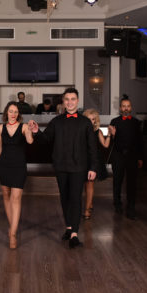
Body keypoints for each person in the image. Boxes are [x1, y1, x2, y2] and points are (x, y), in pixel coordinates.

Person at [28, 88, 98, 248]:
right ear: (63, 102)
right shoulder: (56, 121)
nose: (70, 102)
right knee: (64, 197)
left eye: (73, 99)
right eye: (67, 99)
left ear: (77, 101)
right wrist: (36, 131)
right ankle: (69, 227)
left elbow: (92, 147)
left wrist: (93, 167)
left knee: (75, 198)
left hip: (79, 166)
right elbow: (46, 139)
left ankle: (74, 234)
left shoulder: (85, 122)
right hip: (61, 165)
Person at [0, 101, 34, 248]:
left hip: (19, 166)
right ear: (6, 113)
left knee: (16, 198)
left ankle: (13, 234)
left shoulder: (24, 127)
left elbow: (30, 141)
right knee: (6, 195)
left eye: (15, 111)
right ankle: (12, 227)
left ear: (18, 114)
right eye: (11, 111)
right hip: (4, 166)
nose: (13, 114)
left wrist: (30, 131)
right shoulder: (0, 128)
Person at [108, 97, 143, 219]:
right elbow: (110, 142)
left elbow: (140, 142)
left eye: (128, 106)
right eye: (124, 106)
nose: (126, 108)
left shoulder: (136, 122)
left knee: (132, 183)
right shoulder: (114, 121)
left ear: (131, 108)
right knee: (117, 181)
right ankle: (117, 204)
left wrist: (140, 158)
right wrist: (112, 135)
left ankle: (131, 208)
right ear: (120, 108)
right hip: (118, 156)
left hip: (132, 156)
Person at [82, 109, 110, 220]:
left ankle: (87, 210)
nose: (91, 121)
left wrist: (109, 135)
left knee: (90, 184)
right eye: (88, 119)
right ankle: (90, 204)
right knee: (85, 184)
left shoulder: (98, 132)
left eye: (93, 119)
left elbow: (105, 145)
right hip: (82, 160)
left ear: (95, 121)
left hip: (93, 160)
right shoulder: (81, 131)